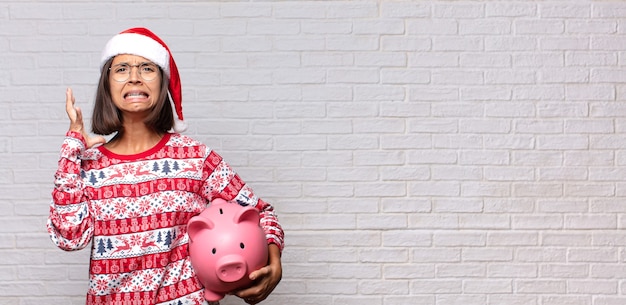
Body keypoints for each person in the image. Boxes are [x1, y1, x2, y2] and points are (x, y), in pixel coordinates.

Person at [47, 27, 284, 305]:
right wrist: (71, 150)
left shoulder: (195, 157)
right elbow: (69, 237)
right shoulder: (89, 167)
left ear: (162, 82)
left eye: (147, 68)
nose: (134, 77)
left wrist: (274, 263)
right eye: (121, 69)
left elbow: (260, 212)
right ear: (107, 84)